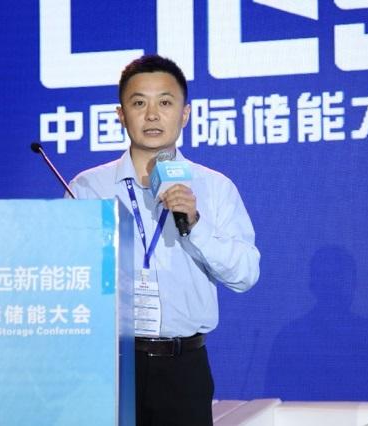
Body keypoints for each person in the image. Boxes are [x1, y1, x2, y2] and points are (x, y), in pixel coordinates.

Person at [68, 54, 260, 426]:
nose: (152, 115)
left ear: (185, 114)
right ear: (121, 115)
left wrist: (195, 224)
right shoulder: (88, 188)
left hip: (182, 368)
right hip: (108, 367)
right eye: (139, 103)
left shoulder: (215, 187)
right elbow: (71, 276)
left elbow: (246, 275)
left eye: (166, 103)